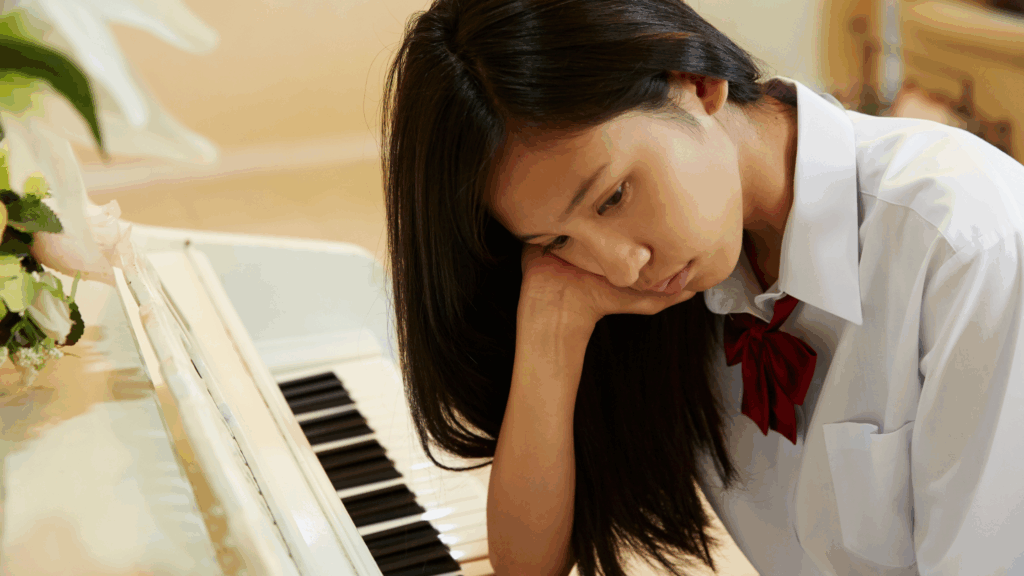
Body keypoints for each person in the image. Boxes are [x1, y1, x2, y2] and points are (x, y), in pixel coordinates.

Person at [380, 0, 1024, 574]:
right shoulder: (666, 288)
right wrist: (552, 326)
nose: (620, 264)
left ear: (695, 83)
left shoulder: (964, 243)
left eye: (611, 198)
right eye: (558, 239)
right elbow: (528, 567)